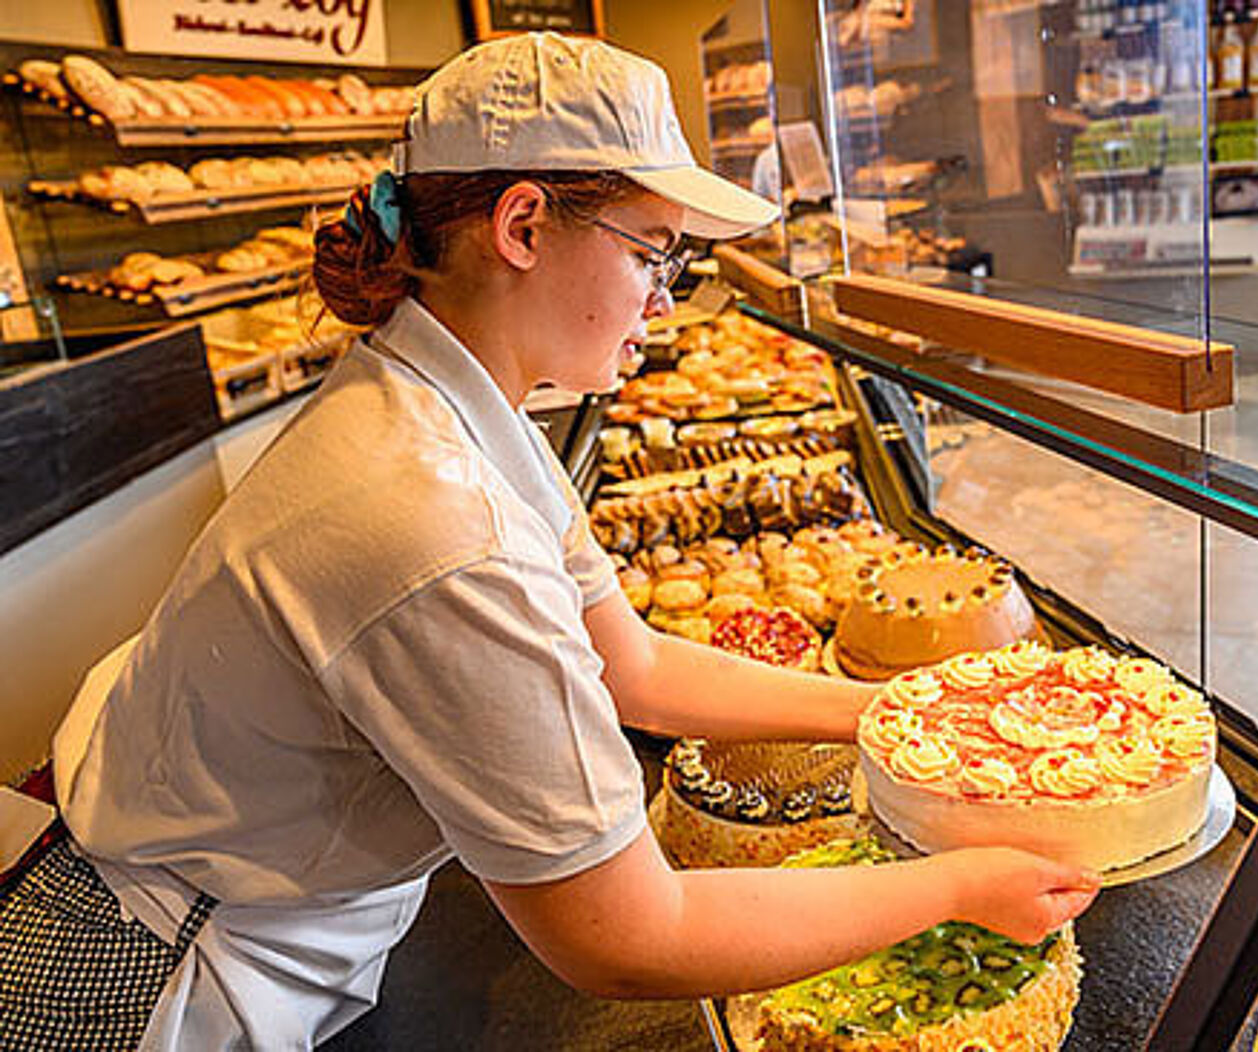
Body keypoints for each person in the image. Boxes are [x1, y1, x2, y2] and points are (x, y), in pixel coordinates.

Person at [0, 33, 1098, 1050]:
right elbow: (625, 933)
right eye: (654, 257)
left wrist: (900, 714)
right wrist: (961, 885)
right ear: (522, 226)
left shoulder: (452, 401)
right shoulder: (433, 519)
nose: (664, 303)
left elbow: (638, 666)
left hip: (228, 885)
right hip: (150, 964)